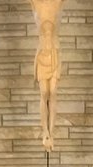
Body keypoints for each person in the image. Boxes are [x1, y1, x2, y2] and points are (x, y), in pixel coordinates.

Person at [30, 0, 65, 150]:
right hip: (42, 56)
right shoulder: (35, 3)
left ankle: (52, 132)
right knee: (44, 93)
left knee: (53, 92)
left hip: (54, 55)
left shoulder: (58, 3)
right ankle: (45, 132)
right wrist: (33, 73)